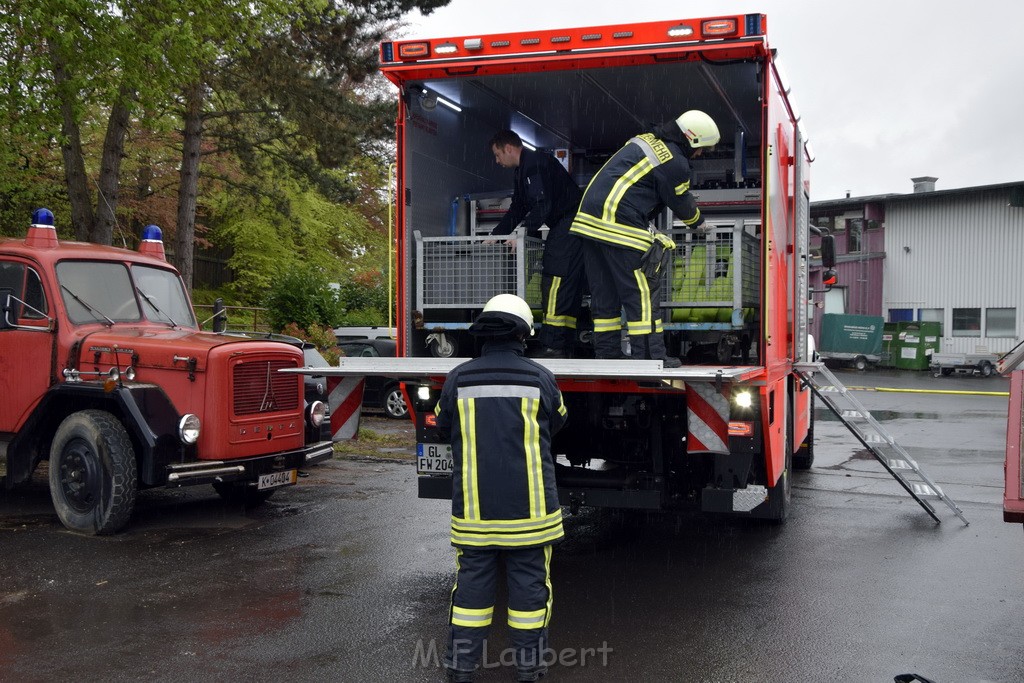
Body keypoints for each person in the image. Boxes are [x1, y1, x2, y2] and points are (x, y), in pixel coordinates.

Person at [435, 294, 567, 683]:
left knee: (471, 593)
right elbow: (558, 419)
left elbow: (444, 426)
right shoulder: (540, 377)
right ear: (523, 334)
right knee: (529, 592)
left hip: (475, 514)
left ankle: (460, 668)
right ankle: (528, 669)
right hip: (532, 514)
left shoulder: (459, 377)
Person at [569, 110, 721, 367]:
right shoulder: (675, 160)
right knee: (642, 291)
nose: (701, 154)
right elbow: (680, 200)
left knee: (604, 293)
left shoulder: (646, 141)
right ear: (693, 139)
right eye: (703, 149)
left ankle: (607, 353)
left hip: (589, 223)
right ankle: (650, 356)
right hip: (617, 223)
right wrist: (700, 224)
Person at [489, 130, 585, 358]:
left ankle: (552, 345)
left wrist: (520, 234)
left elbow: (542, 204)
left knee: (553, 279)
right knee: (566, 283)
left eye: (497, 155)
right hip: (569, 225)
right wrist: (496, 234)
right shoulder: (523, 169)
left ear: (509, 149)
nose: (497, 161)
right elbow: (519, 207)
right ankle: (565, 343)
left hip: (569, 224)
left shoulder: (534, 165)